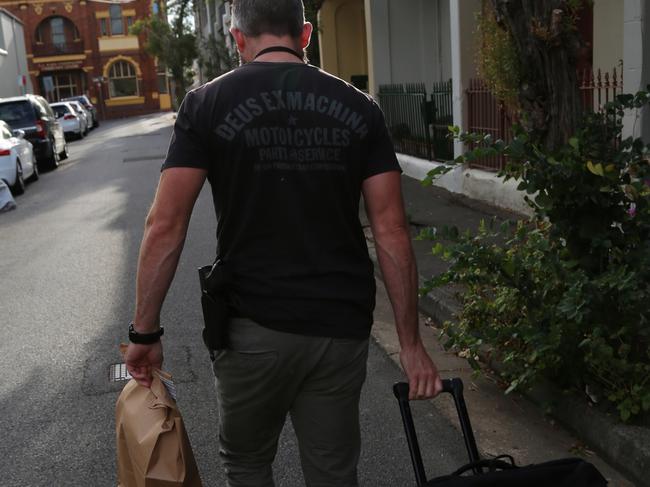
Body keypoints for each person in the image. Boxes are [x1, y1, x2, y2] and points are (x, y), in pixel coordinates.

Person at [125, 0, 442, 485]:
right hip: (340, 327)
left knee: (248, 464)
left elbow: (165, 225)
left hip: (252, 329)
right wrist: (411, 344)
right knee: (334, 471)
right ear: (306, 34)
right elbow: (391, 230)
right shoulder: (361, 108)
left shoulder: (206, 104)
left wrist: (145, 333)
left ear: (237, 38)